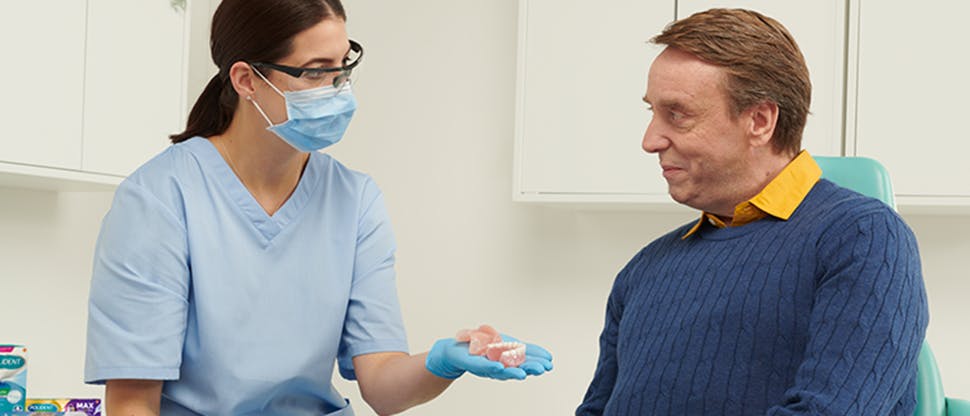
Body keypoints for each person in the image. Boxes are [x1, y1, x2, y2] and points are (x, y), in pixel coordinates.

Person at [83, 1, 552, 415]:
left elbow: (382, 386)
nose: (338, 87)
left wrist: (443, 360)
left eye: (343, 66)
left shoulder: (355, 200)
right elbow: (132, 402)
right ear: (246, 79)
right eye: (315, 70)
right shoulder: (160, 198)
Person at [576, 8, 927, 416]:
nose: (650, 140)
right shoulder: (643, 270)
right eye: (651, 112)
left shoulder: (864, 238)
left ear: (759, 120)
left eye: (677, 114)